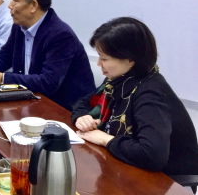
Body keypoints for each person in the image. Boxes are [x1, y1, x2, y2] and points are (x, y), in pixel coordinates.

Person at [72, 17, 198, 179]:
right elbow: (84, 102)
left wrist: (107, 140)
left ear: (130, 60)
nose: (98, 64)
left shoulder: (150, 93)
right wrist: (82, 117)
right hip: (127, 165)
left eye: (104, 59)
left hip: (167, 181)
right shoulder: (118, 81)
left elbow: (152, 155)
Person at [0, 0, 95, 110]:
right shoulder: (19, 26)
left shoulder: (61, 35)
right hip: (30, 100)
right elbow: (4, 57)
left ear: (33, 6)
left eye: (15, 0)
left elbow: (48, 83)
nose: (9, 5)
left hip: (65, 110)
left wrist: (1, 78)